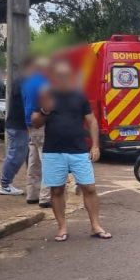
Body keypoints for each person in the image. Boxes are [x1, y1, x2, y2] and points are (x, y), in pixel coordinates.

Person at [31, 59, 111, 242]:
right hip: (53, 151)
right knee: (57, 190)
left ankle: (95, 225)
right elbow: (35, 122)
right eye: (59, 75)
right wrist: (44, 111)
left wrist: (95, 145)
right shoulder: (46, 96)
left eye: (66, 75)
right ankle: (62, 227)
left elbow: (91, 121)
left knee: (89, 188)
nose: (62, 78)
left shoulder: (79, 96)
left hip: (78, 150)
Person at [0, 58, 33, 195]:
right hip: (19, 125)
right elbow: (27, 102)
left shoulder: (22, 80)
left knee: (26, 153)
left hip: (20, 124)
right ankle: (4, 184)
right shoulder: (23, 81)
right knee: (17, 154)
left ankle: (31, 183)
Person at [22, 57, 51, 208]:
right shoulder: (45, 84)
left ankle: (32, 194)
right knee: (47, 160)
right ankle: (45, 197)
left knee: (33, 161)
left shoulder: (27, 83)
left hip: (29, 124)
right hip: (41, 124)